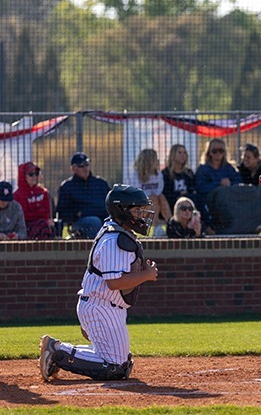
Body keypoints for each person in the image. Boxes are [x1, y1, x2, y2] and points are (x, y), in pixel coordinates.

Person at [38, 184, 158, 382]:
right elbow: (114, 283)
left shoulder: (118, 233)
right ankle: (57, 352)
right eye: (137, 210)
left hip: (105, 306)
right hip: (101, 307)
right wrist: (146, 275)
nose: (141, 215)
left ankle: (58, 349)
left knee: (122, 363)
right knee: (115, 367)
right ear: (122, 211)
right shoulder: (115, 240)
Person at [56, 152, 110, 239]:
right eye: (81, 165)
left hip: (104, 217)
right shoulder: (67, 186)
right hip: (81, 221)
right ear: (73, 168)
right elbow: (62, 212)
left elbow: (110, 203)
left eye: (87, 164)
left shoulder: (100, 183)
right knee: (94, 222)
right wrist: (77, 214)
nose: (85, 168)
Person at [195, 138, 242, 230]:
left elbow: (239, 182)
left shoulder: (229, 168)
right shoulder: (203, 169)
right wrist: (218, 184)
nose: (218, 154)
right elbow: (200, 187)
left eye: (221, 151)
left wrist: (230, 183)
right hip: (210, 202)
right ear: (209, 153)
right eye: (214, 151)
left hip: (231, 201)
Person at [130, 148, 172, 237]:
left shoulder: (158, 173)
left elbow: (160, 188)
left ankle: (171, 224)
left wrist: (154, 195)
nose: (157, 160)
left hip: (155, 199)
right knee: (154, 198)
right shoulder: (136, 174)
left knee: (161, 197)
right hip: (139, 202)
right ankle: (154, 227)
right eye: (155, 158)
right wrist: (149, 196)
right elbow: (135, 191)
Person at [13, 161, 54, 239]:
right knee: (43, 225)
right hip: (25, 227)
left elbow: (47, 213)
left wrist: (36, 213)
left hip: (42, 225)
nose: (34, 177)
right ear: (23, 176)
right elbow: (24, 216)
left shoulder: (44, 192)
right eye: (31, 174)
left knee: (46, 226)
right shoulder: (18, 195)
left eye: (36, 173)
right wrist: (39, 213)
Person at [161, 144, 197, 212]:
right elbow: (166, 192)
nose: (182, 155)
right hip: (173, 202)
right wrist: (179, 194)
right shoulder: (166, 173)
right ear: (173, 155)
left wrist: (186, 193)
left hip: (188, 200)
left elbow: (193, 188)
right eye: (179, 152)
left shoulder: (188, 173)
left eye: (184, 153)